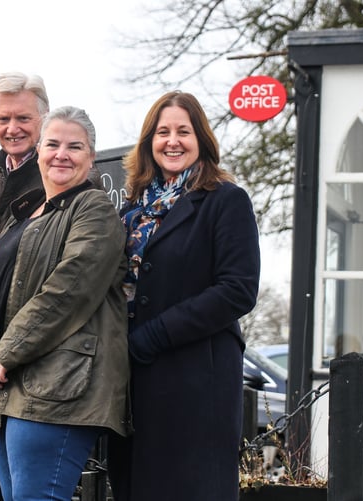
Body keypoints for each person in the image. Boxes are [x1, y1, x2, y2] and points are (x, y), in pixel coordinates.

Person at [0, 106, 130, 501]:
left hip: (58, 387)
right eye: (53, 144)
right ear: (38, 151)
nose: (62, 154)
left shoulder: (94, 209)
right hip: (3, 388)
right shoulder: (19, 218)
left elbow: (67, 291)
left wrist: (5, 353)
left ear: (91, 157)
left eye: (75, 146)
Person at [108, 91, 261, 501]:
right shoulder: (130, 211)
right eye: (162, 132)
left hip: (196, 379)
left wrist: (152, 336)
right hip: (133, 381)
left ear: (202, 140)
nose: (172, 141)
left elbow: (238, 290)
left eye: (183, 131)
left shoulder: (226, 200)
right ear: (148, 142)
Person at [0, 72, 50, 236]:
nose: (12, 129)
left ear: (45, 116)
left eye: (23, 118)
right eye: (3, 119)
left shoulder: (66, 179)